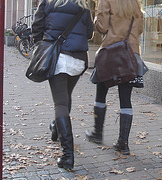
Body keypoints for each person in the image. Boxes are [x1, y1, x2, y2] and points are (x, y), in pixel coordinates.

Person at [31, 0, 93, 170]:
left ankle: (67, 155)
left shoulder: (49, 3)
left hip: (57, 57)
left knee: (60, 103)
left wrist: (41, 44)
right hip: (78, 59)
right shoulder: (83, 5)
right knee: (66, 97)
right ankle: (56, 128)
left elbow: (37, 27)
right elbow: (89, 33)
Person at [85, 0, 144, 155]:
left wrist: (97, 19)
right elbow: (140, 29)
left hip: (110, 53)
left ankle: (97, 133)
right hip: (130, 54)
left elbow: (101, 27)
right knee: (125, 99)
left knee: (101, 94)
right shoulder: (135, 3)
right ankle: (123, 143)